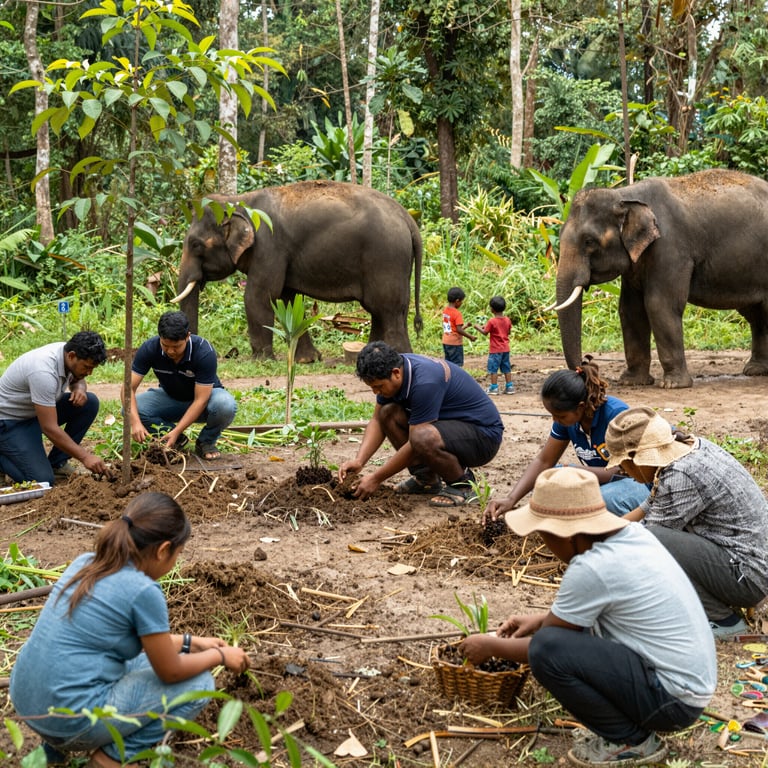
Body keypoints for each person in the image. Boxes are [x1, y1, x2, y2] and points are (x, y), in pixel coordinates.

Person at [460, 467, 715, 766]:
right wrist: (540, 619)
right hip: (690, 687)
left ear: (565, 533)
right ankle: (630, 727)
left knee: (546, 651)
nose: (545, 544)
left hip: (673, 701)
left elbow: (546, 646)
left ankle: (630, 741)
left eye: (544, 535)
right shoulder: (631, 535)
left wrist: (490, 646)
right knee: (556, 639)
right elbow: (569, 623)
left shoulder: (593, 567)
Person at [10, 492, 250, 768]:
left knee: (89, 661)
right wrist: (220, 657)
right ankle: (109, 759)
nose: (176, 562)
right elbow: (170, 672)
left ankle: (51, 753)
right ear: (163, 550)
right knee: (200, 685)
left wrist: (191, 643)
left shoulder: (87, 562)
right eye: (178, 554)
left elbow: (127, 642)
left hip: (28, 703)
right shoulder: (143, 591)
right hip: (70, 722)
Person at [605, 406, 768, 641]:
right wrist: (609, 527)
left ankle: (723, 620)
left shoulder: (683, 475)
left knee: (651, 539)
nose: (625, 472)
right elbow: (652, 503)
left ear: (638, 459)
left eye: (624, 465)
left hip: (748, 577)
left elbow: (642, 541)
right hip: (749, 561)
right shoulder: (690, 449)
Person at [338, 341, 503, 507]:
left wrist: (376, 478)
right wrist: (359, 461)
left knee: (421, 436)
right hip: (451, 429)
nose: (376, 392)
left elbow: (415, 442)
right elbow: (377, 420)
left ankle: (462, 485)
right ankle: (426, 480)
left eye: (379, 386)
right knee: (387, 414)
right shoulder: (396, 368)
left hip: (483, 437)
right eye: (372, 387)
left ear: (395, 373)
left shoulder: (425, 382)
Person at [484, 357, 648, 520]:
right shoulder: (569, 420)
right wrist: (511, 499)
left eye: (560, 416)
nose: (555, 420)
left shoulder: (616, 416)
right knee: (546, 485)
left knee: (603, 501)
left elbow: (625, 471)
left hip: (640, 484)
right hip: (600, 483)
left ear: (581, 407)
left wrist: (575, 472)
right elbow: (544, 461)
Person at [0, 331, 110, 485]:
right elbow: (49, 427)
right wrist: (85, 457)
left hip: (34, 413)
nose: (89, 373)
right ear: (71, 356)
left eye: (92, 368)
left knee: (89, 403)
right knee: (42, 480)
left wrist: (79, 388)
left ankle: (57, 463)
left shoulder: (67, 354)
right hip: (10, 423)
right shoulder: (43, 371)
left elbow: (77, 379)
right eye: (86, 367)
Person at [125, 310, 236, 460]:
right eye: (165, 345)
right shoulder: (150, 348)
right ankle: (175, 439)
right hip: (172, 398)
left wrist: (177, 429)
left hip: (206, 402)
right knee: (131, 409)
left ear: (187, 337)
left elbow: (201, 400)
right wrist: (136, 423)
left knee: (225, 405)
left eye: (176, 346)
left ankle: (206, 441)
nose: (170, 351)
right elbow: (127, 389)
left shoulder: (204, 352)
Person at [471, 294, 514, 395]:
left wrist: (477, 327)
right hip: (505, 349)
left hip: (495, 350)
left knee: (493, 369)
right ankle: (509, 387)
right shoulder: (507, 319)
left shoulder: (492, 321)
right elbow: (508, 332)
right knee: (506, 368)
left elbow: (485, 332)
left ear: (492, 309)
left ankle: (494, 388)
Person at [441, 286, 475, 367]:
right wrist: (470, 337)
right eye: (461, 301)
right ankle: (457, 379)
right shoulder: (457, 313)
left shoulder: (445, 311)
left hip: (446, 342)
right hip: (455, 344)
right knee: (457, 365)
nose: (461, 303)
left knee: (449, 364)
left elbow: (454, 329)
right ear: (457, 301)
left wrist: (466, 326)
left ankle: (449, 379)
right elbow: (459, 330)